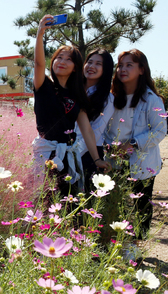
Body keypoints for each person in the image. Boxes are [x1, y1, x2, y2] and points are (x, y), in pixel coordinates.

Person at [31, 15, 110, 190]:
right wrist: (40, 34)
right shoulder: (43, 86)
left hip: (68, 156)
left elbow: (87, 129)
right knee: (45, 201)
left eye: (68, 59)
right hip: (45, 155)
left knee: (68, 202)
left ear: (76, 67)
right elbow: (37, 63)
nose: (62, 62)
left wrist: (97, 159)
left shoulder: (77, 95)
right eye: (59, 57)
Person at [103, 49, 166, 238]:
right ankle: (120, 245)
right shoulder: (111, 98)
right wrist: (109, 147)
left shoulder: (151, 99)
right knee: (116, 204)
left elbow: (160, 130)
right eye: (120, 65)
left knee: (141, 207)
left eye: (129, 65)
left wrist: (132, 144)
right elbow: (103, 127)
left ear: (141, 69)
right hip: (114, 160)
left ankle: (139, 247)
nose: (123, 69)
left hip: (142, 163)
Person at [72, 49, 115, 191]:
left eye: (98, 64)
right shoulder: (73, 89)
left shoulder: (107, 99)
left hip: (89, 154)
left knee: (83, 201)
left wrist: (73, 156)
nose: (91, 66)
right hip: (66, 150)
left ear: (106, 69)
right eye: (89, 62)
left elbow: (95, 131)